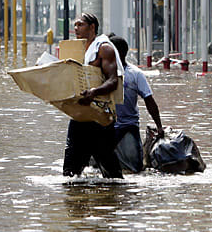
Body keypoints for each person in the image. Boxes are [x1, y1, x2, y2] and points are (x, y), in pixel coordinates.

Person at [62, 13, 125, 179]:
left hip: (100, 115)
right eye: (75, 25)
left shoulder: (104, 48)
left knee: (110, 170)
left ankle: (113, 200)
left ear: (92, 27)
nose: (76, 28)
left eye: (80, 25)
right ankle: (74, 201)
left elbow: (113, 81)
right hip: (81, 114)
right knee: (70, 171)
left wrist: (94, 92)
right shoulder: (79, 49)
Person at [109, 35, 164, 173]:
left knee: (135, 169)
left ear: (119, 53)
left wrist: (159, 127)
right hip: (106, 127)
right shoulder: (100, 72)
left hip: (127, 127)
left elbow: (149, 101)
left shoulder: (135, 74)